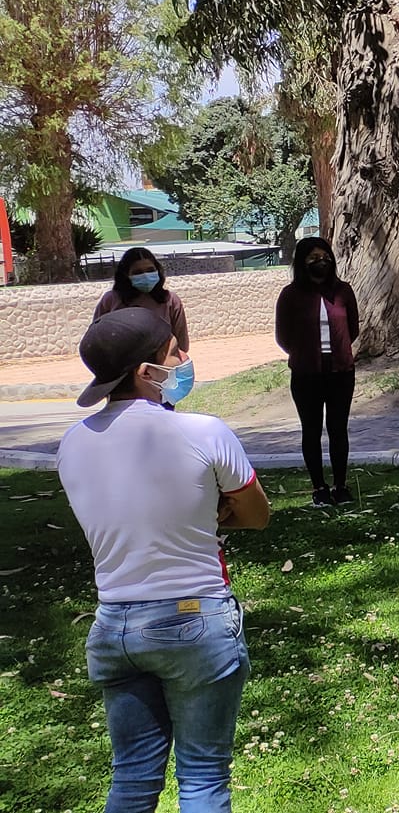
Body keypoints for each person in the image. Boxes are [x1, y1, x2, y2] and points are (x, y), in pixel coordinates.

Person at [59, 307, 271, 812]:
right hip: (195, 620)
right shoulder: (204, 431)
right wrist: (211, 515)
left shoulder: (72, 443)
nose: (183, 359)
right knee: (201, 778)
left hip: (114, 626)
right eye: (175, 351)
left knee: (131, 779)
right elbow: (257, 514)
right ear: (146, 370)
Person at [275, 237, 360, 505]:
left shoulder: (343, 291)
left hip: (340, 372)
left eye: (325, 256)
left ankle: (341, 485)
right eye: (313, 257)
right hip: (306, 374)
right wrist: (304, 354)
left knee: (338, 429)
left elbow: (353, 329)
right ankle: (319, 488)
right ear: (302, 262)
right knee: (311, 430)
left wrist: (338, 351)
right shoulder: (290, 295)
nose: (321, 261)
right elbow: (283, 336)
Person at [94, 247, 191, 353]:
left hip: (162, 366)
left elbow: (182, 344)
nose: (145, 276)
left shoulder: (170, 300)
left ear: (157, 270)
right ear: (126, 274)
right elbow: (96, 339)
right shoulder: (110, 300)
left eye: (150, 270)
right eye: (138, 272)